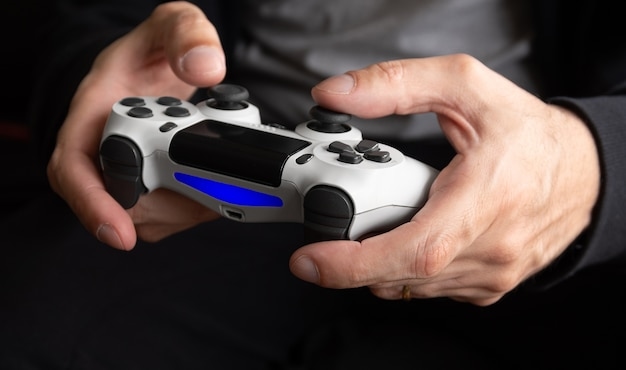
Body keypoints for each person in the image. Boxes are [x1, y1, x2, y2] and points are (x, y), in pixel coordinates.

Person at [2, 0, 625, 368]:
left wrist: (597, 157)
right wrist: (101, 69)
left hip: (535, 160)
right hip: (234, 152)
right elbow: (79, 15)